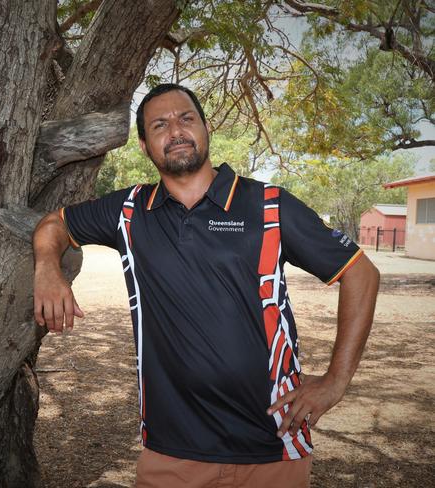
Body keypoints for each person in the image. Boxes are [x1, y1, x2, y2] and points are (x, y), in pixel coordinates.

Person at [32, 83, 380, 488]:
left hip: (273, 446)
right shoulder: (130, 211)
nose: (175, 131)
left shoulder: (268, 204)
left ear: (206, 127)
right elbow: (54, 224)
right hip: (171, 454)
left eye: (186, 118)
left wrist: (336, 381)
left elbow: (360, 272)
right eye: (159, 125)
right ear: (144, 146)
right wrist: (47, 268)